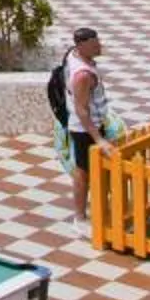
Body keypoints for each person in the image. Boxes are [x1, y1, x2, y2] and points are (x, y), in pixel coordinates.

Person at [50, 28, 108, 216]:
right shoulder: (82, 75)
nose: (99, 46)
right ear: (81, 46)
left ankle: (93, 209)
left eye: (98, 42)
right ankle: (80, 215)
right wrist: (99, 139)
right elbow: (82, 110)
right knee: (83, 173)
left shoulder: (73, 54)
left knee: (89, 170)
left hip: (89, 124)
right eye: (94, 44)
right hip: (84, 129)